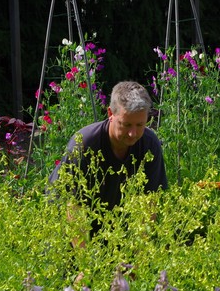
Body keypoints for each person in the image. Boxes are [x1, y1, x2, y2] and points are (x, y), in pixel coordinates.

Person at [49, 80, 168, 242]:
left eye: (140, 124)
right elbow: (74, 207)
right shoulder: (85, 144)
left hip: (115, 226)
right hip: (67, 225)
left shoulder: (149, 144)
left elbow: (148, 203)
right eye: (126, 125)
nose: (133, 133)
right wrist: (85, 262)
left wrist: (140, 256)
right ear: (110, 114)